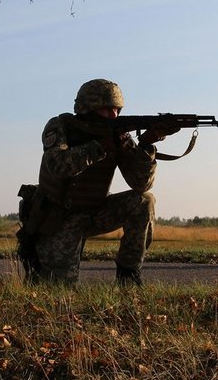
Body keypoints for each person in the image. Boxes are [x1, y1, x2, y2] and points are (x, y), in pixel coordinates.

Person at [18, 79, 178, 285]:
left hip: (95, 212)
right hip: (58, 217)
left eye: (117, 110)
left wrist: (146, 145)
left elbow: (141, 184)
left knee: (144, 200)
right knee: (55, 288)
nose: (114, 115)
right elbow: (59, 166)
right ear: (88, 108)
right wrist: (100, 147)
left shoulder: (119, 137)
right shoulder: (61, 126)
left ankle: (128, 275)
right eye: (108, 109)